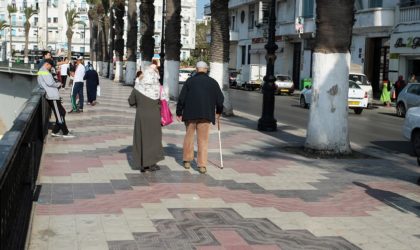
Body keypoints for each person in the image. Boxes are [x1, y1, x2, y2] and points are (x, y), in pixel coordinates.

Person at [176, 61, 224, 174]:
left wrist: (179, 112)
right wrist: (219, 112)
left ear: (197, 69)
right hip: (206, 115)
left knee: (189, 137)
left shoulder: (190, 81)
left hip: (190, 115)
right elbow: (220, 100)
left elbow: (182, 98)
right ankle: (202, 165)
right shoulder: (213, 82)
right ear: (206, 69)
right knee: (203, 140)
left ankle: (187, 161)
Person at [128, 65, 164, 172]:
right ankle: (152, 164)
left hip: (141, 116)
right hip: (154, 116)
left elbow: (131, 101)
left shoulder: (138, 88)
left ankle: (142, 164)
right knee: (153, 140)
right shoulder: (158, 88)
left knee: (141, 139)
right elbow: (164, 101)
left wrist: (137, 82)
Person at [37, 59, 74, 138]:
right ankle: (65, 132)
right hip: (52, 96)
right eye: (50, 66)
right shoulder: (44, 71)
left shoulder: (42, 71)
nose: (51, 68)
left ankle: (55, 131)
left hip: (53, 95)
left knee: (62, 112)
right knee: (59, 114)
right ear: (47, 64)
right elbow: (50, 83)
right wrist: (59, 84)